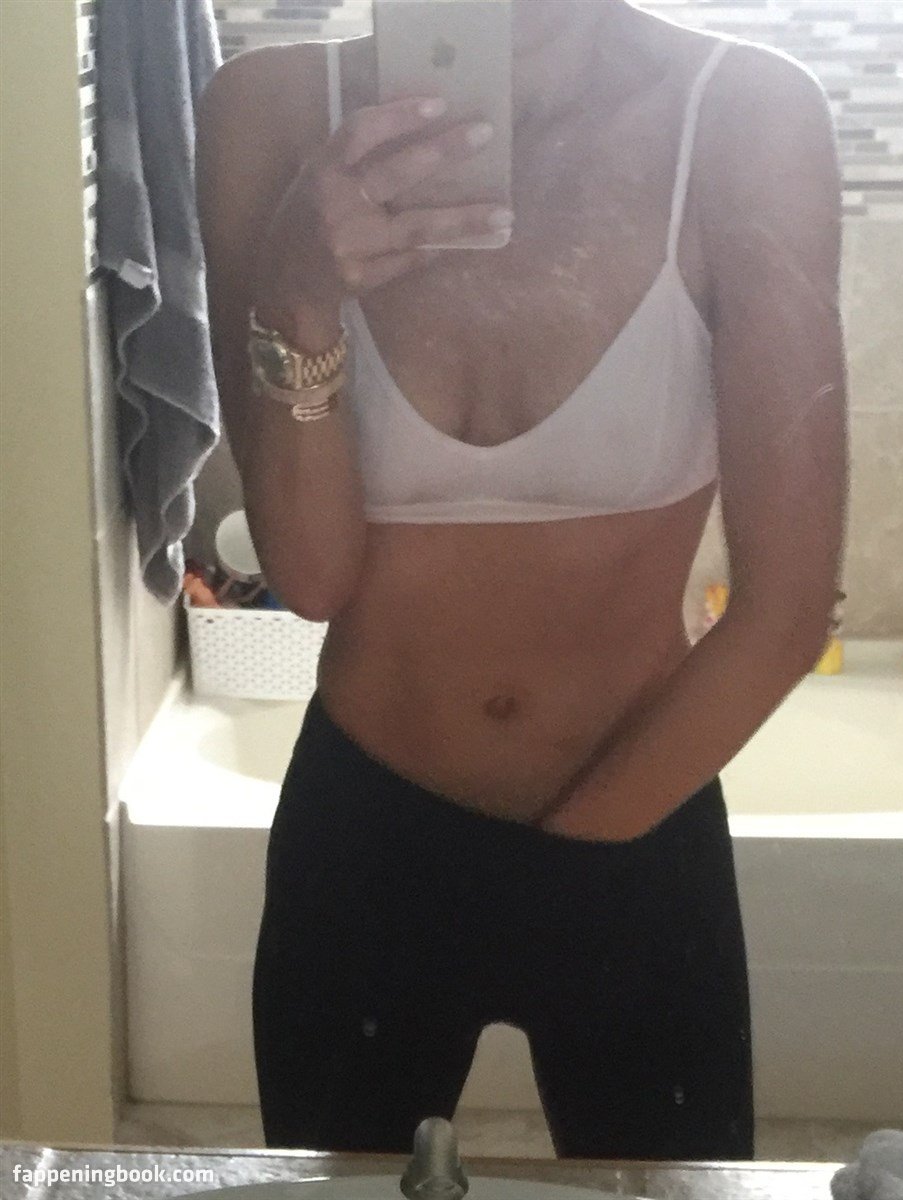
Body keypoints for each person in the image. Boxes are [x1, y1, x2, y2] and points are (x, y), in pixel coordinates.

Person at [196, 0, 846, 1161]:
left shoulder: (743, 116)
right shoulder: (272, 111)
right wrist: (297, 294)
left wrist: (563, 869)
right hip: (367, 844)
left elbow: (786, 613)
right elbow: (312, 577)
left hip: (636, 820)